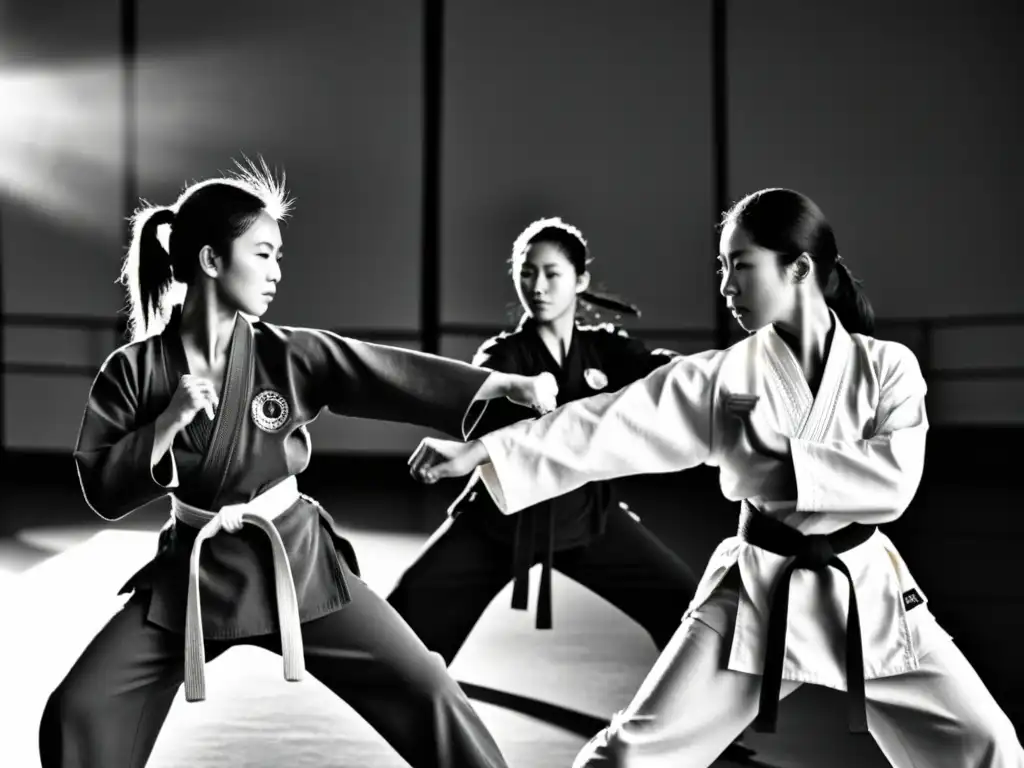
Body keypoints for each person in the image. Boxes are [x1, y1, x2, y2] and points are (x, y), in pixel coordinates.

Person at [408, 189, 1024, 767]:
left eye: (742, 266)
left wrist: (771, 457)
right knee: (629, 756)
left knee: (989, 744)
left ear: (800, 269)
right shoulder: (725, 377)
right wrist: (485, 451)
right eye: (722, 267)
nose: (726, 286)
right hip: (758, 590)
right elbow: (607, 423)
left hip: (868, 592)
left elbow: (894, 483)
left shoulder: (888, 367)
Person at [39, 158, 559, 768]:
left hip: (296, 562)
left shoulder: (289, 355)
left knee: (429, 688)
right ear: (210, 260)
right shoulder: (134, 371)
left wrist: (501, 385)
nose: (276, 272)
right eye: (263, 254)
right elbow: (102, 489)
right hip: (194, 574)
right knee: (80, 707)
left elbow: (382, 371)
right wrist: (166, 423)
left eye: (278, 256)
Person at [388, 216, 699, 651]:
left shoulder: (606, 347)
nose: (538, 286)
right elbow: (485, 420)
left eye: (552, 274)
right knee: (406, 625)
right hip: (502, 521)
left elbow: (665, 371)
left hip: (585, 516)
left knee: (686, 607)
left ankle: (680, 715)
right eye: (527, 273)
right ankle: (422, 712)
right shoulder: (503, 354)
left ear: (580, 279)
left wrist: (712, 375)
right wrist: (463, 451)